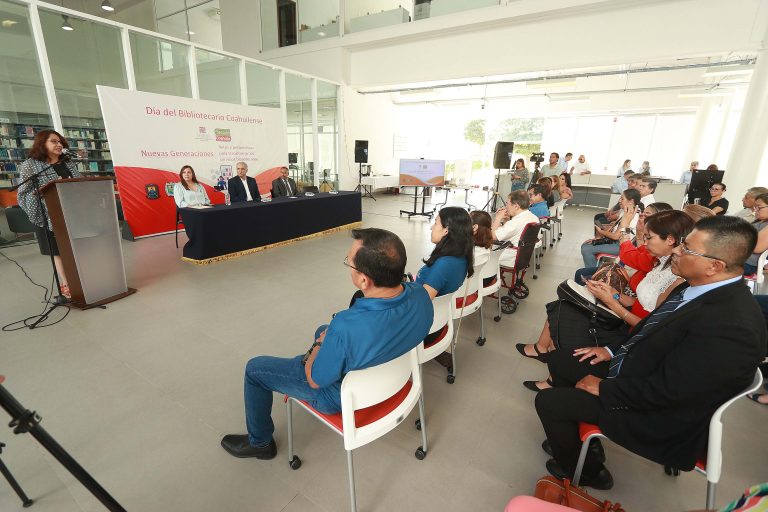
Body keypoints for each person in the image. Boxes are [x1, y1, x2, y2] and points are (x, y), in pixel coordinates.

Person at [534, 216, 766, 490]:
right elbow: (651, 330)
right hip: (641, 372)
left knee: (549, 402)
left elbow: (675, 392)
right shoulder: (694, 286)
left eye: (687, 248)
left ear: (715, 266)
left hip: (660, 414)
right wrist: (610, 350)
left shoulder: (731, 325)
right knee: (561, 360)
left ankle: (588, 472)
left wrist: (605, 389)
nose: (677, 251)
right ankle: (576, 438)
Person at [220, 228, 433, 459]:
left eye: (349, 263)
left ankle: (260, 443)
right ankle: (305, 365)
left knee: (255, 369)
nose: (349, 267)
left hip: (337, 395)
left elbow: (315, 380)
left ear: (364, 279)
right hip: (396, 378)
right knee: (324, 330)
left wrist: (319, 346)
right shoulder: (421, 295)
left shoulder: (345, 326)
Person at [521, 211, 694, 393]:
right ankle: (551, 365)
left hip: (627, 333)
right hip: (625, 319)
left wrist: (612, 303)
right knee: (562, 305)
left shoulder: (676, 278)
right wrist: (615, 294)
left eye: (649, 237)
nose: (645, 240)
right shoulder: (662, 263)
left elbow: (649, 326)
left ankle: (554, 368)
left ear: (670, 240)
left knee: (562, 308)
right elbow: (641, 300)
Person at [16, 129, 81, 299]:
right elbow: (23, 193)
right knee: (58, 251)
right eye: (54, 141)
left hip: (73, 211)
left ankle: (82, 279)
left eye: (60, 142)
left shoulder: (68, 163)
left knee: (77, 247)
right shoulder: (31, 165)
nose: (59, 145)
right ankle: (66, 284)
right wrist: (41, 197)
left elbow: (80, 184)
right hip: (48, 215)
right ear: (42, 144)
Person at [415, 206, 474, 299]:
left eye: (435, 223)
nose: (431, 228)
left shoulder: (444, 264)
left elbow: (422, 300)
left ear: (446, 230)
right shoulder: (461, 256)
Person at [580, 189, 642, 267]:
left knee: (586, 249)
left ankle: (592, 273)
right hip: (614, 242)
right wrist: (599, 237)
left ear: (631, 201)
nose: (619, 200)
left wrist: (601, 232)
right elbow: (616, 229)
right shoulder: (625, 211)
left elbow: (616, 236)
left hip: (620, 246)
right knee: (585, 245)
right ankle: (596, 269)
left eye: (622, 199)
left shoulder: (634, 217)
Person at [492, 190, 539, 266]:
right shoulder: (534, 218)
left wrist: (497, 218)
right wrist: (506, 220)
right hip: (522, 256)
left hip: (511, 256)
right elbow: (513, 232)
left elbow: (493, 236)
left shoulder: (515, 222)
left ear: (516, 206)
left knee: (481, 254)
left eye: (507, 204)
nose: (506, 206)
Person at [743, 192, 768, 275]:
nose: (755, 209)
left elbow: (756, 248)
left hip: (746, 263)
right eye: (755, 206)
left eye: (759, 207)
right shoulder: (761, 220)